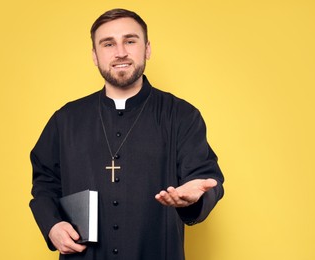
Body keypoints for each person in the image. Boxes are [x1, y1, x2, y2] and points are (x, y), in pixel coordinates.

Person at [29, 8, 224, 260]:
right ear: (95, 56)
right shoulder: (65, 119)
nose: (120, 52)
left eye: (130, 41)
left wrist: (196, 197)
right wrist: (52, 225)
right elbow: (44, 182)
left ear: (147, 49)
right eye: (108, 44)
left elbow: (204, 179)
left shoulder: (182, 115)